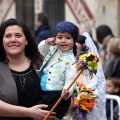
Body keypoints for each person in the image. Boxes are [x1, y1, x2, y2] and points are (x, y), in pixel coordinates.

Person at [0, 18, 56, 120]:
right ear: (2, 42)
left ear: (26, 41)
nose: (13, 40)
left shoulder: (41, 63)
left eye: (18, 35)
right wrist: (29, 112)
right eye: (8, 36)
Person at [37, 21, 79, 119]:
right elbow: (41, 50)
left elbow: (71, 80)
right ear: (55, 38)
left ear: (74, 41)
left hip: (56, 95)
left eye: (68, 38)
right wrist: (47, 42)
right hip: (42, 92)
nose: (63, 41)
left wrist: (67, 91)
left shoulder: (71, 60)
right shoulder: (52, 49)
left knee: (48, 116)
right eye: (60, 37)